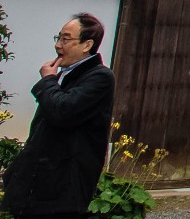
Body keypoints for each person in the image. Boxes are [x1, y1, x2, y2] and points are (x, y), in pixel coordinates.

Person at [2, 13, 115, 219]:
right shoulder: (64, 74)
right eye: (58, 38)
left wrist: (47, 81)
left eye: (66, 39)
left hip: (62, 189)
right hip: (38, 183)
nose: (58, 45)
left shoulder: (99, 77)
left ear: (86, 45)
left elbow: (63, 111)